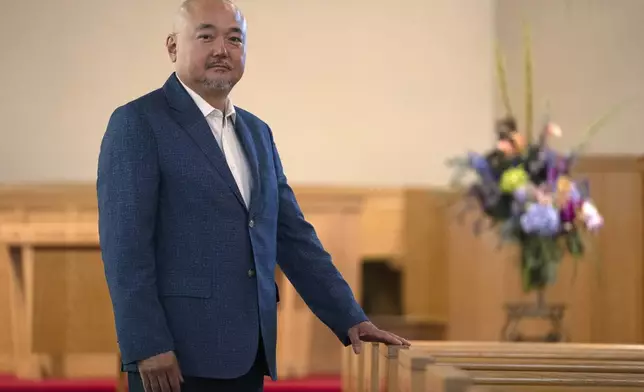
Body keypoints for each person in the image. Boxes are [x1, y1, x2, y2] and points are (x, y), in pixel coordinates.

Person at [96, 0, 410, 391]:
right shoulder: (138, 123)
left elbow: (293, 236)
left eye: (234, 38)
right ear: (173, 47)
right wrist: (145, 343)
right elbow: (125, 249)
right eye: (206, 35)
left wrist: (351, 317)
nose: (221, 49)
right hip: (172, 357)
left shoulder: (257, 133)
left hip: (248, 350)